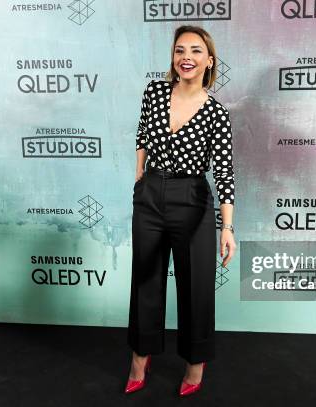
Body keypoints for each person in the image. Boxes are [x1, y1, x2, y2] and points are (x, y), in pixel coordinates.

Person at [124, 25, 236, 397]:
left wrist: (228, 228)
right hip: (151, 194)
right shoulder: (154, 92)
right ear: (173, 58)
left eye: (195, 51)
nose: (186, 56)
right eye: (179, 50)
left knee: (196, 287)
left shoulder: (216, 113)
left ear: (209, 60)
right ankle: (140, 357)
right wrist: (140, 175)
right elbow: (142, 132)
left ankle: (195, 364)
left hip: (192, 199)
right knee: (145, 279)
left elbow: (223, 171)